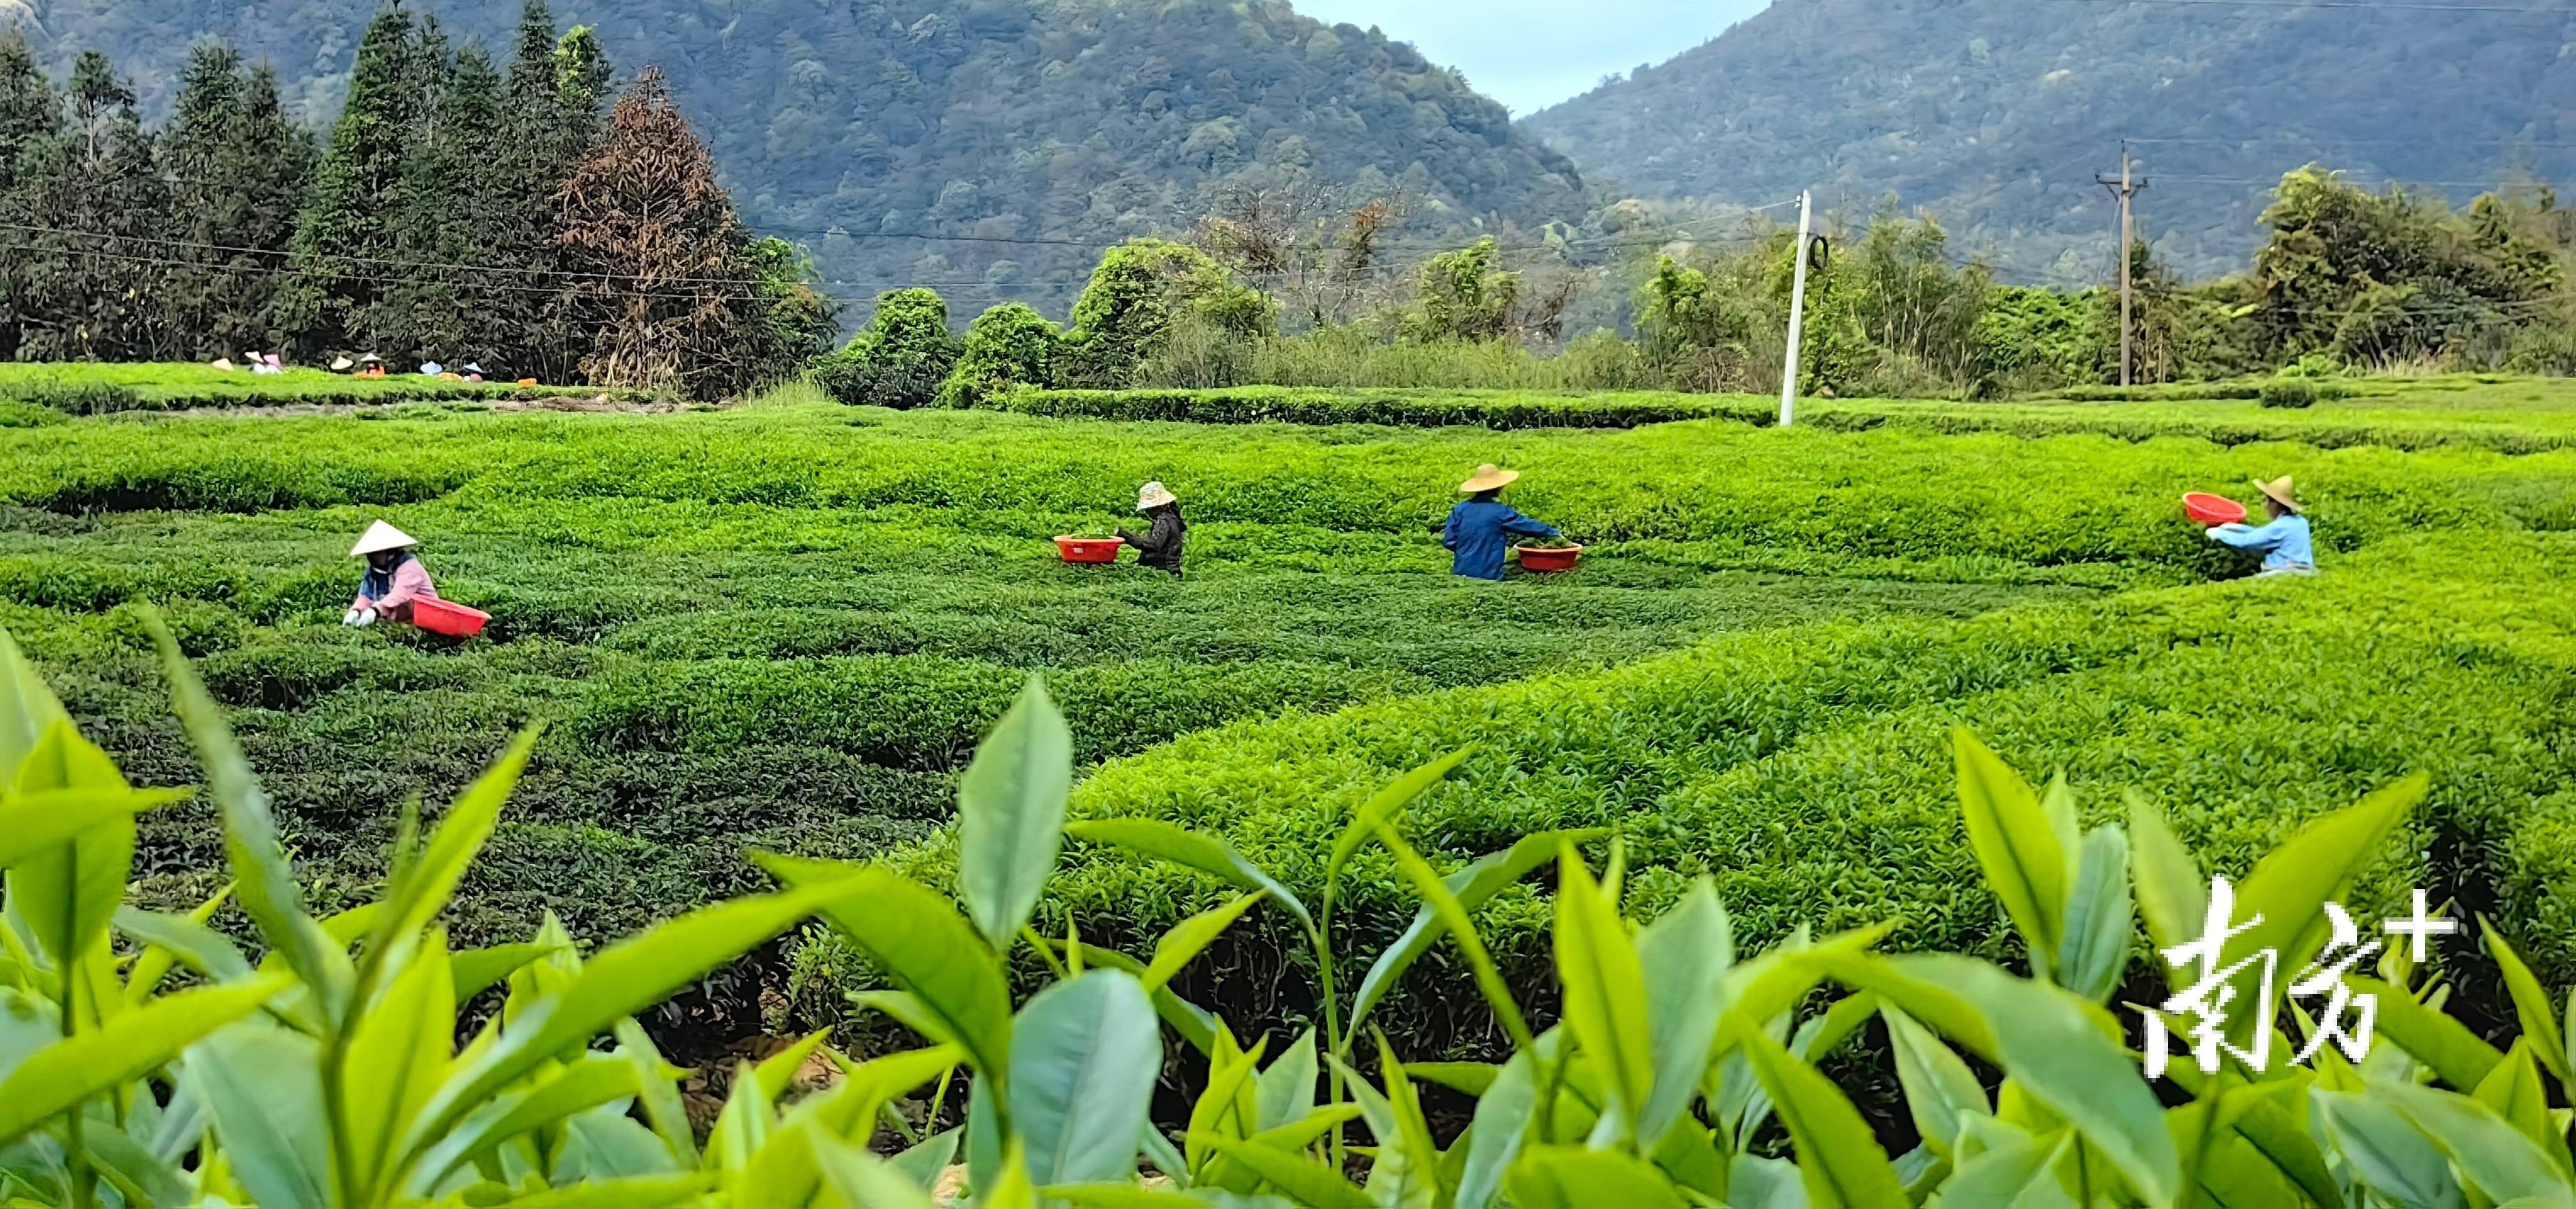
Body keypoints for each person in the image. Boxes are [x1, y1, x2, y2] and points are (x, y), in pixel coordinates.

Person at [1444, 464, 1560, 581]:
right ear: (1498, 488)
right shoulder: (1500, 511)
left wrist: (1467, 551)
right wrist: (1553, 533)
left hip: (1461, 572)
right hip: (1489, 573)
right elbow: (1527, 526)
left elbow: (1449, 541)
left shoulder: (1460, 510)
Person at [2208, 475, 2317, 577]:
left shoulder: (2280, 526)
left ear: (2276, 504)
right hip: (2306, 571)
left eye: (2268, 501)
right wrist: (2239, 528)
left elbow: (2246, 541)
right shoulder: (2300, 522)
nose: (2265, 505)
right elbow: (2266, 534)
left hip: (2285, 571)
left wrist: (2218, 533)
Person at [345, 521, 441, 627]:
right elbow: (366, 595)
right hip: (398, 621)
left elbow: (399, 595)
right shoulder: (375, 571)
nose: (372, 558)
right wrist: (357, 610)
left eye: (376, 554)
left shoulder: (409, 567)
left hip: (425, 620)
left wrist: (375, 611)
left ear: (390, 552)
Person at [1116, 481, 1187, 577]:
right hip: (1167, 569)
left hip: (1162, 571)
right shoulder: (1171, 517)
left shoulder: (1163, 521)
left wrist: (1127, 537)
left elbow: (1153, 545)